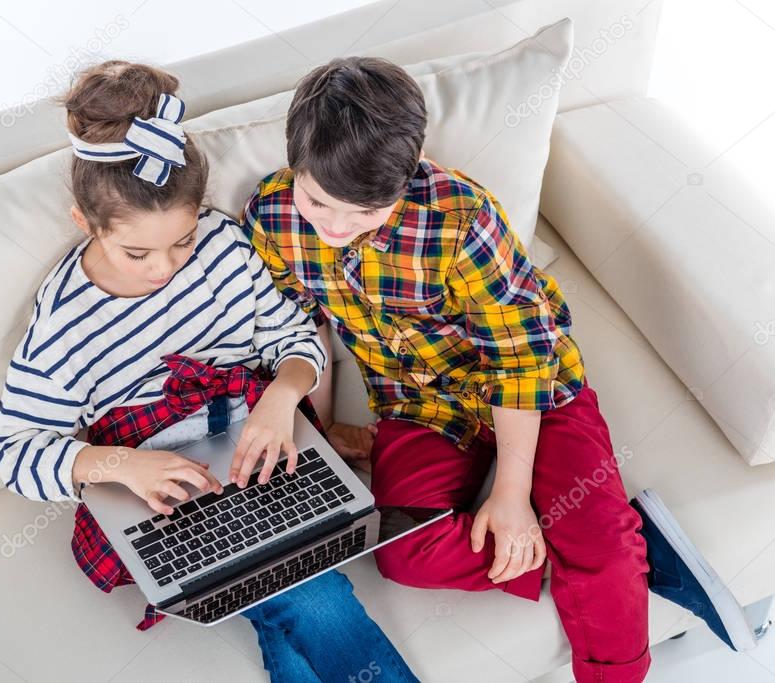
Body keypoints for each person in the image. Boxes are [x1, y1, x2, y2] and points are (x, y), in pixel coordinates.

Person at [241, 56, 757, 682]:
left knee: (601, 553)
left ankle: (608, 562)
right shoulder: (271, 216)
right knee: (402, 551)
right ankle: (622, 553)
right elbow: (303, 328)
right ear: (295, 164)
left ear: (403, 184)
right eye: (320, 202)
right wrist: (318, 437)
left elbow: (520, 356)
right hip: (418, 404)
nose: (336, 228)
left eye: (365, 214)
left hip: (535, 391)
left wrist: (512, 498)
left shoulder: (461, 218)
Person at [0, 60, 419, 683]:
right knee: (317, 596)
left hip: (259, 453)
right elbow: (12, 452)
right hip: (164, 493)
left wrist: (282, 396)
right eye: (136, 252)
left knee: (292, 596)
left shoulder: (222, 244)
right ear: (86, 224)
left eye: (182, 240)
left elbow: (291, 335)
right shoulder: (63, 324)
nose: (164, 267)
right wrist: (120, 465)